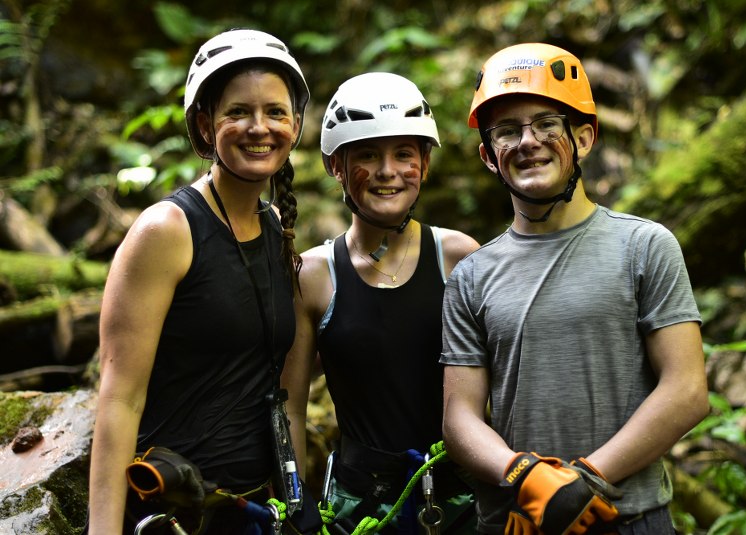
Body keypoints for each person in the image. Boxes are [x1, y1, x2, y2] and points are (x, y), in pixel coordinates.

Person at [440, 43, 709, 535]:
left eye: (547, 124)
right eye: (506, 131)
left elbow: (686, 390)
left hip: (628, 519)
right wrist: (523, 475)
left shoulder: (644, 246)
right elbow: (459, 419)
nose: (528, 141)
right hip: (517, 521)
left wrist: (586, 481)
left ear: (583, 138)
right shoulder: (472, 276)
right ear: (488, 156)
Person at [87, 29, 319, 535]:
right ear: (204, 124)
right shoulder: (167, 230)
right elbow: (120, 398)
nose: (259, 127)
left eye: (275, 112)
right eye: (238, 112)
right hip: (173, 514)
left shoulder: (274, 227)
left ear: (296, 125)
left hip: (253, 510)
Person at [281, 72, 480, 534]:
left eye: (403, 154)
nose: (388, 171)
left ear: (424, 164)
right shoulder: (313, 275)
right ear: (337, 166)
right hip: (359, 508)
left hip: (462, 501)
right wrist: (294, 503)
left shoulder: (458, 257)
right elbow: (290, 406)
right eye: (368, 155)